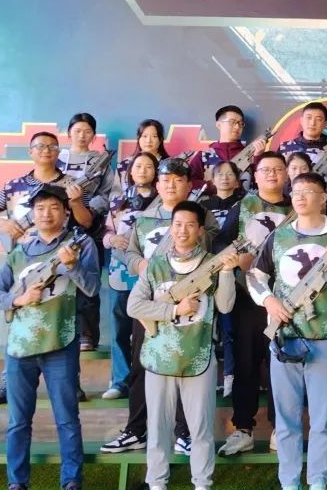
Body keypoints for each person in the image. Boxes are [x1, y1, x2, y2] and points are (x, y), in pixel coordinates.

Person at [248, 172, 327, 490]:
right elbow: (255, 276)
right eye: (295, 191)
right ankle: (289, 489)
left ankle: (318, 488)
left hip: (325, 336)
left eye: (308, 191)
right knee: (286, 419)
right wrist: (268, 301)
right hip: (285, 336)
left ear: (323, 197)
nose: (300, 197)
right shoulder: (278, 236)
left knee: (323, 419)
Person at [0, 184, 99, 490]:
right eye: (40, 208)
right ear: (32, 213)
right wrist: (19, 299)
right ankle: (17, 487)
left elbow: (92, 288)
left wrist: (73, 266)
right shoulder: (20, 251)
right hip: (20, 346)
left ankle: (72, 486)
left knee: (67, 419)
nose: (46, 213)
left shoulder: (81, 243)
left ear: (66, 212)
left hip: (60, 342)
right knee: (18, 422)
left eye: (54, 207)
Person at [127, 201, 238, 490]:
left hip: (198, 357)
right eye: (177, 224)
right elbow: (134, 306)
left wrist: (226, 272)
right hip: (158, 358)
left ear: (201, 230)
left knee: (200, 429)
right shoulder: (155, 265)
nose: (183, 231)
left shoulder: (211, 263)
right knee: (158, 428)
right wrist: (175, 310)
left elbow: (226, 306)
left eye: (190, 225)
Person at [102, 158, 217, 455]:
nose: (171, 185)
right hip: (151, 306)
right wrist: (140, 265)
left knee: (184, 364)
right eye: (166, 180)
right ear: (157, 184)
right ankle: (135, 430)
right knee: (142, 365)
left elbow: (211, 251)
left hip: (191, 305)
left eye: (178, 180)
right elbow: (130, 253)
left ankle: (184, 433)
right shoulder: (144, 219)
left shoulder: (202, 216)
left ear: (188, 185)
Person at [0, 130, 93, 406]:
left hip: (61, 259)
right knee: (19, 319)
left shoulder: (72, 183)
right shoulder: (14, 184)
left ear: (59, 152)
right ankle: (8, 382)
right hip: (23, 260)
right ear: (30, 151)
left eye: (52, 146)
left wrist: (75, 202)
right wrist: (5, 224)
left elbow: (86, 221)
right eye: (40, 146)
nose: (46, 150)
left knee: (66, 320)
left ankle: (72, 381)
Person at [216, 151, 292, 456]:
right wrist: (237, 260)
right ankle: (243, 428)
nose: (272, 174)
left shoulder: (296, 207)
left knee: (280, 366)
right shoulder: (242, 207)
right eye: (265, 170)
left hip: (285, 301)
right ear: (255, 176)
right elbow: (220, 243)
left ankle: (279, 428)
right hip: (247, 298)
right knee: (245, 364)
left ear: (287, 174)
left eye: (278, 169)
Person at [102, 152, 159, 400]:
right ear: (130, 172)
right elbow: (105, 233)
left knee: (149, 328)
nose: (143, 170)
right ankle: (121, 381)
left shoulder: (163, 199)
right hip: (121, 274)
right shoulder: (118, 202)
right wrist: (111, 239)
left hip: (152, 273)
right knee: (120, 328)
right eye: (138, 166)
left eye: (148, 166)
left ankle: (149, 377)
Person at [57, 112, 114, 352]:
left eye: (87, 131)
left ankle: (87, 334)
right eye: (77, 130)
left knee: (88, 278)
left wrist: (90, 209)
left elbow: (109, 193)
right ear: (68, 132)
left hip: (89, 223)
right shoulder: (56, 158)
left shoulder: (100, 161)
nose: (82, 135)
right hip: (57, 223)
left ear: (94, 135)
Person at [200, 161, 246, 398]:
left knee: (230, 326)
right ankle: (204, 375)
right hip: (204, 268)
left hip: (232, 268)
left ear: (238, 180)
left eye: (230, 174)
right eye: (220, 174)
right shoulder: (202, 205)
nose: (225, 178)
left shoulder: (245, 204)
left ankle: (230, 376)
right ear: (212, 179)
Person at [189, 105, 266, 189]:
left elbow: (261, 184)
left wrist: (258, 157)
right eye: (232, 122)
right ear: (219, 124)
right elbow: (189, 182)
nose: (237, 127)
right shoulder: (203, 156)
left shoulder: (252, 154)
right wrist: (213, 186)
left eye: (240, 123)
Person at [278, 102, 327, 175]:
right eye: (309, 118)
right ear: (301, 121)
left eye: (318, 119)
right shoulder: (284, 147)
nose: (312, 123)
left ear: (325, 124)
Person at [116, 119, 170, 192]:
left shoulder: (169, 166)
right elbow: (115, 193)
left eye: (154, 136)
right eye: (145, 136)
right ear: (138, 138)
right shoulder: (124, 165)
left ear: (160, 139)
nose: (148, 141)